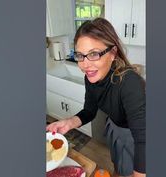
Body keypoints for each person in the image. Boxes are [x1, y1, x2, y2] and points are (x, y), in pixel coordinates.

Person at [46, 18, 146, 177]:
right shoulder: (91, 77)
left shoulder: (129, 83)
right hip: (115, 127)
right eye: (80, 55)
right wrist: (69, 122)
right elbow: (89, 111)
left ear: (112, 53)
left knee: (129, 169)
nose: (85, 65)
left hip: (134, 136)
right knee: (118, 165)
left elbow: (144, 139)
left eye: (94, 54)